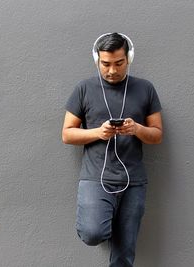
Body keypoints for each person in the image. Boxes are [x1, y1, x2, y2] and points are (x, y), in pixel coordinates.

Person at [62, 33, 163, 266]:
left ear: (129, 59)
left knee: (124, 254)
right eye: (105, 64)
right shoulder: (84, 89)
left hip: (134, 181)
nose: (112, 70)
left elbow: (157, 135)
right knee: (93, 232)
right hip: (96, 178)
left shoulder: (145, 89)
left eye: (119, 63)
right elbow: (67, 133)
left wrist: (137, 129)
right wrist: (98, 132)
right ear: (97, 60)